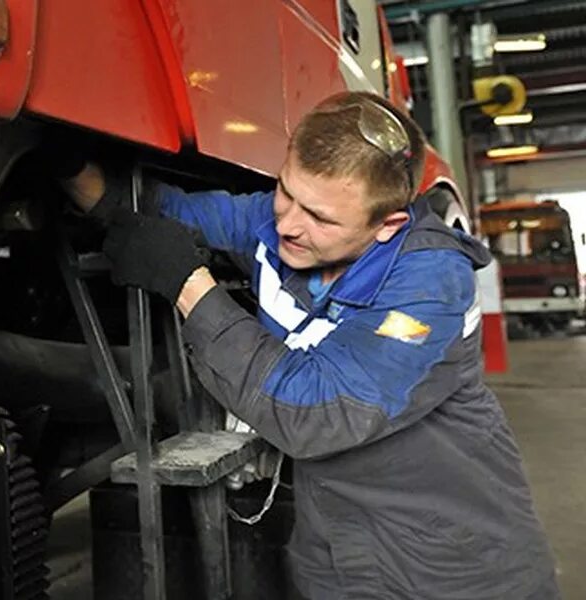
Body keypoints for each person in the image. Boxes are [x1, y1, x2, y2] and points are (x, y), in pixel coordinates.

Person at [61, 91, 559, 599]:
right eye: (285, 192)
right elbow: (159, 209)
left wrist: (191, 286)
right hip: (338, 556)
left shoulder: (429, 284)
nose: (287, 224)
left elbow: (318, 412)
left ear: (387, 225)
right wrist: (74, 172)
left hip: (455, 569)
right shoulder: (280, 223)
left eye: (319, 218)